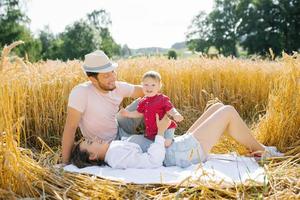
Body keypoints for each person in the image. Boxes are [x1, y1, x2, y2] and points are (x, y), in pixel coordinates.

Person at [70, 103, 284, 169]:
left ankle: (257, 148)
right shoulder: (115, 156)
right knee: (227, 111)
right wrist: (161, 132)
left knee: (217, 107)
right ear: (92, 157)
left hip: (177, 146)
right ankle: (262, 152)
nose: (94, 138)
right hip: (182, 154)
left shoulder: (115, 147)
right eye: (90, 143)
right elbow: (152, 162)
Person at [61, 50, 145, 164]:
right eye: (106, 75)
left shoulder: (118, 87)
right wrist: (65, 163)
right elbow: (70, 128)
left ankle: (166, 134)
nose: (113, 78)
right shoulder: (81, 93)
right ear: (93, 79)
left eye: (112, 72)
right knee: (146, 145)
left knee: (150, 100)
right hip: (107, 145)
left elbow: (145, 91)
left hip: (120, 124)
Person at [119, 71, 184, 148]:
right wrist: (128, 114)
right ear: (142, 85)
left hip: (166, 129)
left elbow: (170, 109)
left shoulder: (162, 99)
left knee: (166, 144)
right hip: (152, 132)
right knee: (155, 144)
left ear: (159, 86)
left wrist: (175, 114)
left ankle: (174, 141)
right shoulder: (143, 101)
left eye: (153, 85)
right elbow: (139, 113)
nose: (149, 87)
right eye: (146, 85)